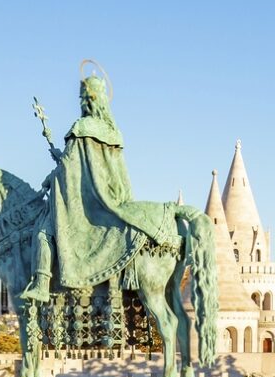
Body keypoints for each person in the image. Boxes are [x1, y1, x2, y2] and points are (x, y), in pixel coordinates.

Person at [24, 73, 176, 302]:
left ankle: (42, 286)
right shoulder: (112, 132)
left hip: (85, 204)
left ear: (87, 99)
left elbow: (69, 168)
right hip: (113, 198)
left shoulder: (82, 126)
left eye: (82, 99)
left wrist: (51, 175)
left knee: (43, 232)